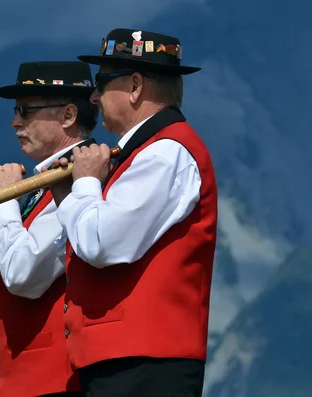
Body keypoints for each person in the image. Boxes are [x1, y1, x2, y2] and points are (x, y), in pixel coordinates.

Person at [47, 29, 218, 396]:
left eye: (102, 82)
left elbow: (103, 244)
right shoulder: (144, 153)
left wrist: (86, 184)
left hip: (146, 366)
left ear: (136, 86)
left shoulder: (164, 153)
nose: (93, 95)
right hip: (123, 362)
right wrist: (67, 193)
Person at [0, 61, 99, 397]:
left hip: (60, 384)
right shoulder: (39, 184)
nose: (15, 122)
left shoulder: (78, 182)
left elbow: (23, 274)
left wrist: (3, 200)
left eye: (26, 110)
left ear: (67, 116)